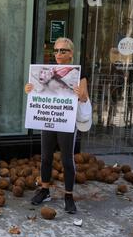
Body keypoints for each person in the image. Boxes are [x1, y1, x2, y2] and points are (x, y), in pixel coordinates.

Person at [25, 37, 90, 214]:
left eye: (63, 51)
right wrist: (29, 90)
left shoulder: (78, 74)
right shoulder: (46, 71)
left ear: (71, 53)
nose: (58, 54)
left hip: (66, 121)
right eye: (56, 50)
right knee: (46, 157)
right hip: (48, 118)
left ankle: (68, 196)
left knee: (67, 159)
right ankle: (44, 190)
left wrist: (80, 94)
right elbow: (39, 92)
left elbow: (84, 98)